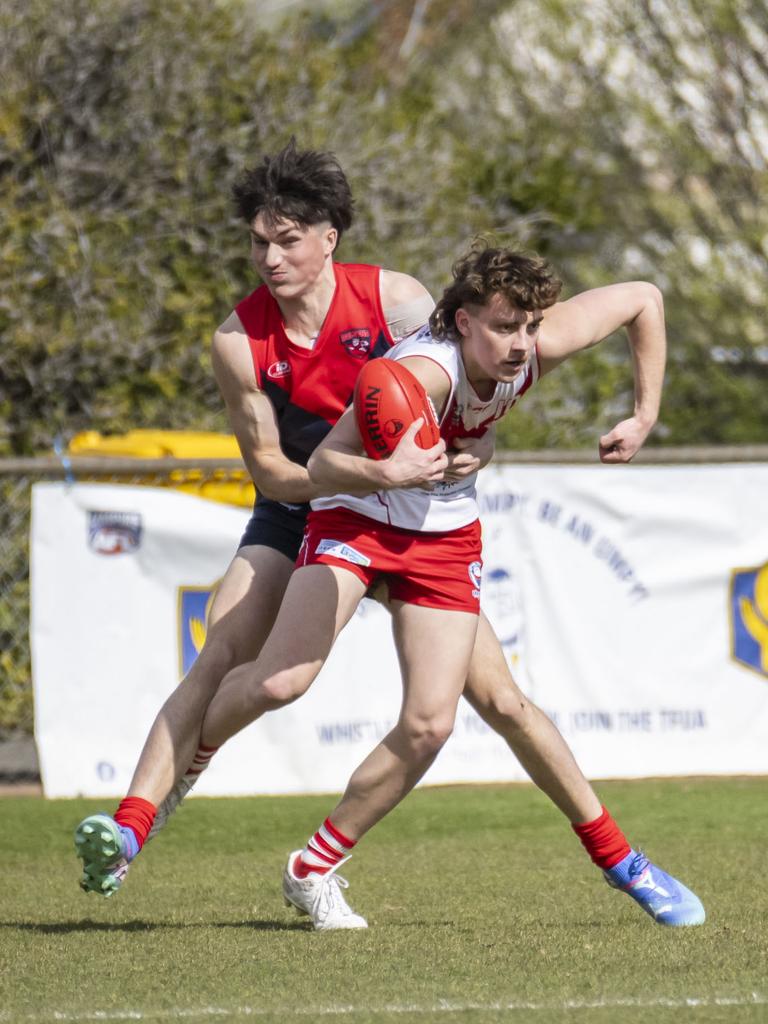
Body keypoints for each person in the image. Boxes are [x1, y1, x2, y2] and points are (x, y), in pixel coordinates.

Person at [74, 143, 704, 931]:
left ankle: (612, 861)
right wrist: (389, 472)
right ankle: (146, 812)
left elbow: (640, 297)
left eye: (287, 239)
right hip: (333, 506)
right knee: (257, 673)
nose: (270, 257)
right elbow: (305, 463)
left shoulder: (428, 311)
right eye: (259, 241)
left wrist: (641, 414)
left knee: (473, 710)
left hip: (435, 525)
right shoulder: (254, 342)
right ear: (471, 321)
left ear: (328, 236)